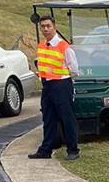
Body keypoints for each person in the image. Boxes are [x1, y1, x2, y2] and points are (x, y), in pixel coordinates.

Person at [24, 15, 80, 161]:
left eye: (48, 26)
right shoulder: (42, 45)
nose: (45, 29)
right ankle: (45, 150)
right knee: (48, 118)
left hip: (61, 85)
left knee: (67, 118)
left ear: (54, 27)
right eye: (43, 26)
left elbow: (74, 69)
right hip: (47, 85)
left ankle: (73, 149)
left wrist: (62, 78)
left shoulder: (64, 46)